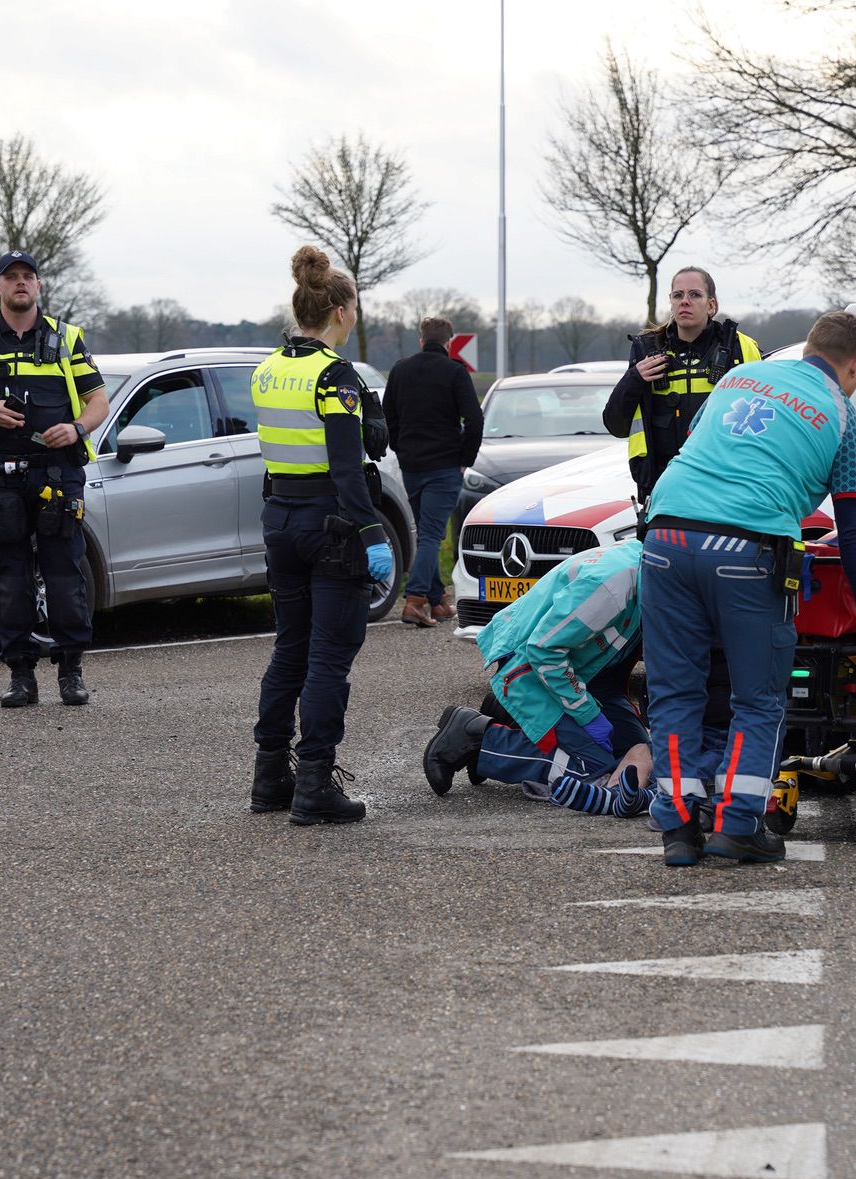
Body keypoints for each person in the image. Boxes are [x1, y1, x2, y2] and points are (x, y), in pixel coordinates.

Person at [642, 310, 856, 866]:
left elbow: (706, 450)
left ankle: (680, 828)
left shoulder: (736, 379)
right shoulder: (845, 422)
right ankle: (738, 824)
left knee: (675, 691)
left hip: (664, 538)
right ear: (855, 366)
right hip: (748, 551)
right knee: (757, 698)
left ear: (807, 348)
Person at [248, 247, 395, 825]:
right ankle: (314, 784)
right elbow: (343, 465)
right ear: (339, 311)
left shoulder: (267, 369)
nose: (356, 315)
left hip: (281, 520)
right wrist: (372, 533)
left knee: (290, 650)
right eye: (354, 306)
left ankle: (270, 778)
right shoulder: (335, 376)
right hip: (330, 526)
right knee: (329, 660)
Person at [0, 252, 111, 709]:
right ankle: (21, 676)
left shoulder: (66, 338)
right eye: (11, 277)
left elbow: (99, 401)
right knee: (11, 577)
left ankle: (71, 671)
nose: (20, 284)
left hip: (57, 473)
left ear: (39, 286)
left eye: (28, 277)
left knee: (64, 574)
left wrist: (77, 428)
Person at [422, 539, 653, 816]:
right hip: (530, 668)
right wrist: (588, 715)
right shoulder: (612, 586)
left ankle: (512, 717)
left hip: (587, 673)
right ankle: (478, 738)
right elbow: (544, 651)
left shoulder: (657, 569)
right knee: (590, 768)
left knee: (637, 754)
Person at [602, 266, 764, 506]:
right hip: (664, 492)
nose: (684, 301)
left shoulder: (740, 349)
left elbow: (765, 424)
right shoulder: (647, 351)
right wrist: (634, 378)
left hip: (727, 491)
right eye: (678, 295)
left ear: (711, 305)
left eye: (694, 295)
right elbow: (615, 425)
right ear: (671, 302)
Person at [384, 314, 483, 627]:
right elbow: (475, 420)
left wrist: (402, 449)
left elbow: (388, 417)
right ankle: (415, 601)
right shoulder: (455, 372)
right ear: (449, 342)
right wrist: (465, 456)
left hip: (411, 465)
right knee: (430, 534)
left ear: (421, 338)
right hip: (445, 465)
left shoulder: (400, 370)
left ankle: (439, 601)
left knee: (426, 532)